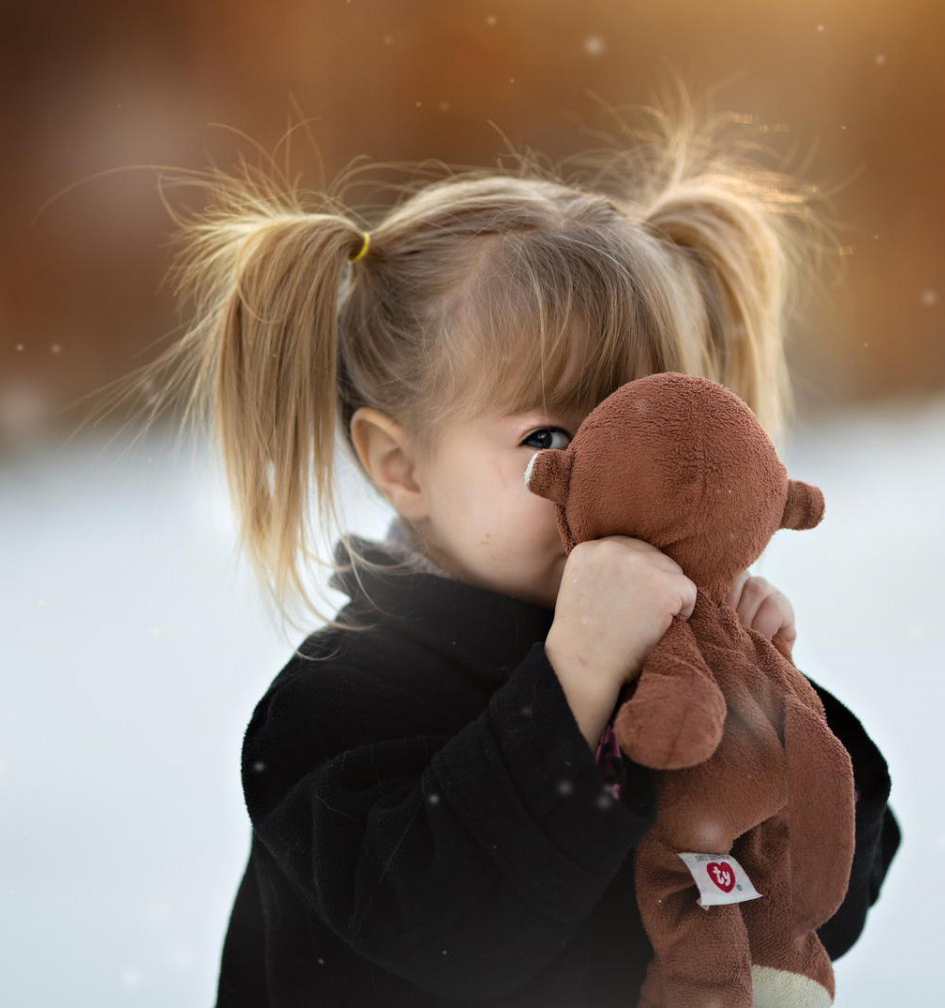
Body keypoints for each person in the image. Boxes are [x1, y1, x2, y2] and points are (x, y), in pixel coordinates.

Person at [117, 79, 899, 1006]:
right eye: (549, 438)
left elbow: (825, 906)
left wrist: (775, 698)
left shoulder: (678, 668)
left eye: (645, 421)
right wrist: (570, 682)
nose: (613, 480)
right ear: (399, 464)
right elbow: (451, 933)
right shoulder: (334, 707)